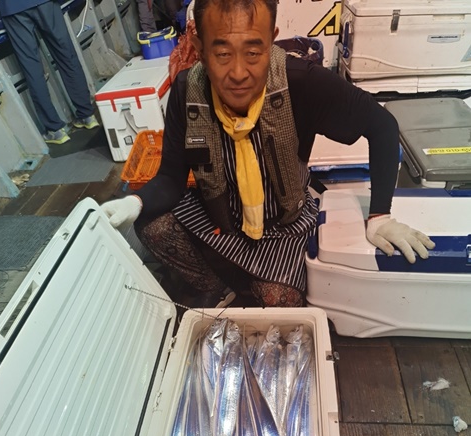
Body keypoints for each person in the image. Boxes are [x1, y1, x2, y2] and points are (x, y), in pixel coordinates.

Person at [102, 0, 435, 308]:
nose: (238, 73)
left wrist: (379, 217)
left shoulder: (300, 81)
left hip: (283, 224)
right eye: (222, 53)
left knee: (280, 299)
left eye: (253, 52)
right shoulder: (187, 90)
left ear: (271, 39)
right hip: (218, 216)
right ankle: (214, 286)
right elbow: (171, 178)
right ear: (200, 47)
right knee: (152, 225)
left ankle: (250, 275)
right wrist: (135, 202)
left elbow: (382, 125)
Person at [0, 0, 99, 144]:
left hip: (12, 7)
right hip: (46, 2)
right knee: (66, 56)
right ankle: (86, 115)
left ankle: (55, 130)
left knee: (31, 67)